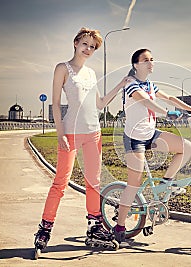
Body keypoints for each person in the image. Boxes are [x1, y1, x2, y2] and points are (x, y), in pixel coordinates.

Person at [34, 27, 129, 250]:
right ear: (76, 43)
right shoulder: (62, 68)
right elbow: (56, 104)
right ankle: (45, 228)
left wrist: (121, 84)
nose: (88, 49)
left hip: (93, 133)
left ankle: (94, 227)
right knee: (60, 183)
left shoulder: (91, 73)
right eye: (85, 44)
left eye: (93, 47)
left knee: (93, 183)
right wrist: (60, 134)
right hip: (71, 133)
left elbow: (100, 103)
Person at [112, 48, 191, 243]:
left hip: (151, 134)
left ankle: (165, 183)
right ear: (136, 65)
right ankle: (120, 225)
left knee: (186, 147)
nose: (150, 62)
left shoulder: (149, 85)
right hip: (134, 139)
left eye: (152, 59)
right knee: (134, 183)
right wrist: (166, 113)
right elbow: (145, 102)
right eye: (146, 60)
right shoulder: (131, 84)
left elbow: (169, 98)